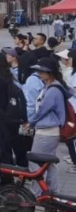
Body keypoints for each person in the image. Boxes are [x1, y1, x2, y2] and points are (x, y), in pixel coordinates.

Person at [27, 57, 70, 193]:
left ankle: (37, 193)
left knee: (35, 163)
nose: (39, 74)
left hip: (47, 132)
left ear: (49, 73)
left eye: (41, 71)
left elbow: (42, 110)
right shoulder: (53, 87)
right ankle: (52, 192)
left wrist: (31, 122)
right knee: (48, 163)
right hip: (51, 131)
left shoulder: (53, 90)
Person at [0, 52, 28, 177]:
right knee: (15, 146)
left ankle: (6, 177)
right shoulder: (10, 78)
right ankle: (22, 174)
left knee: (3, 149)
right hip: (13, 118)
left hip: (0, 118)